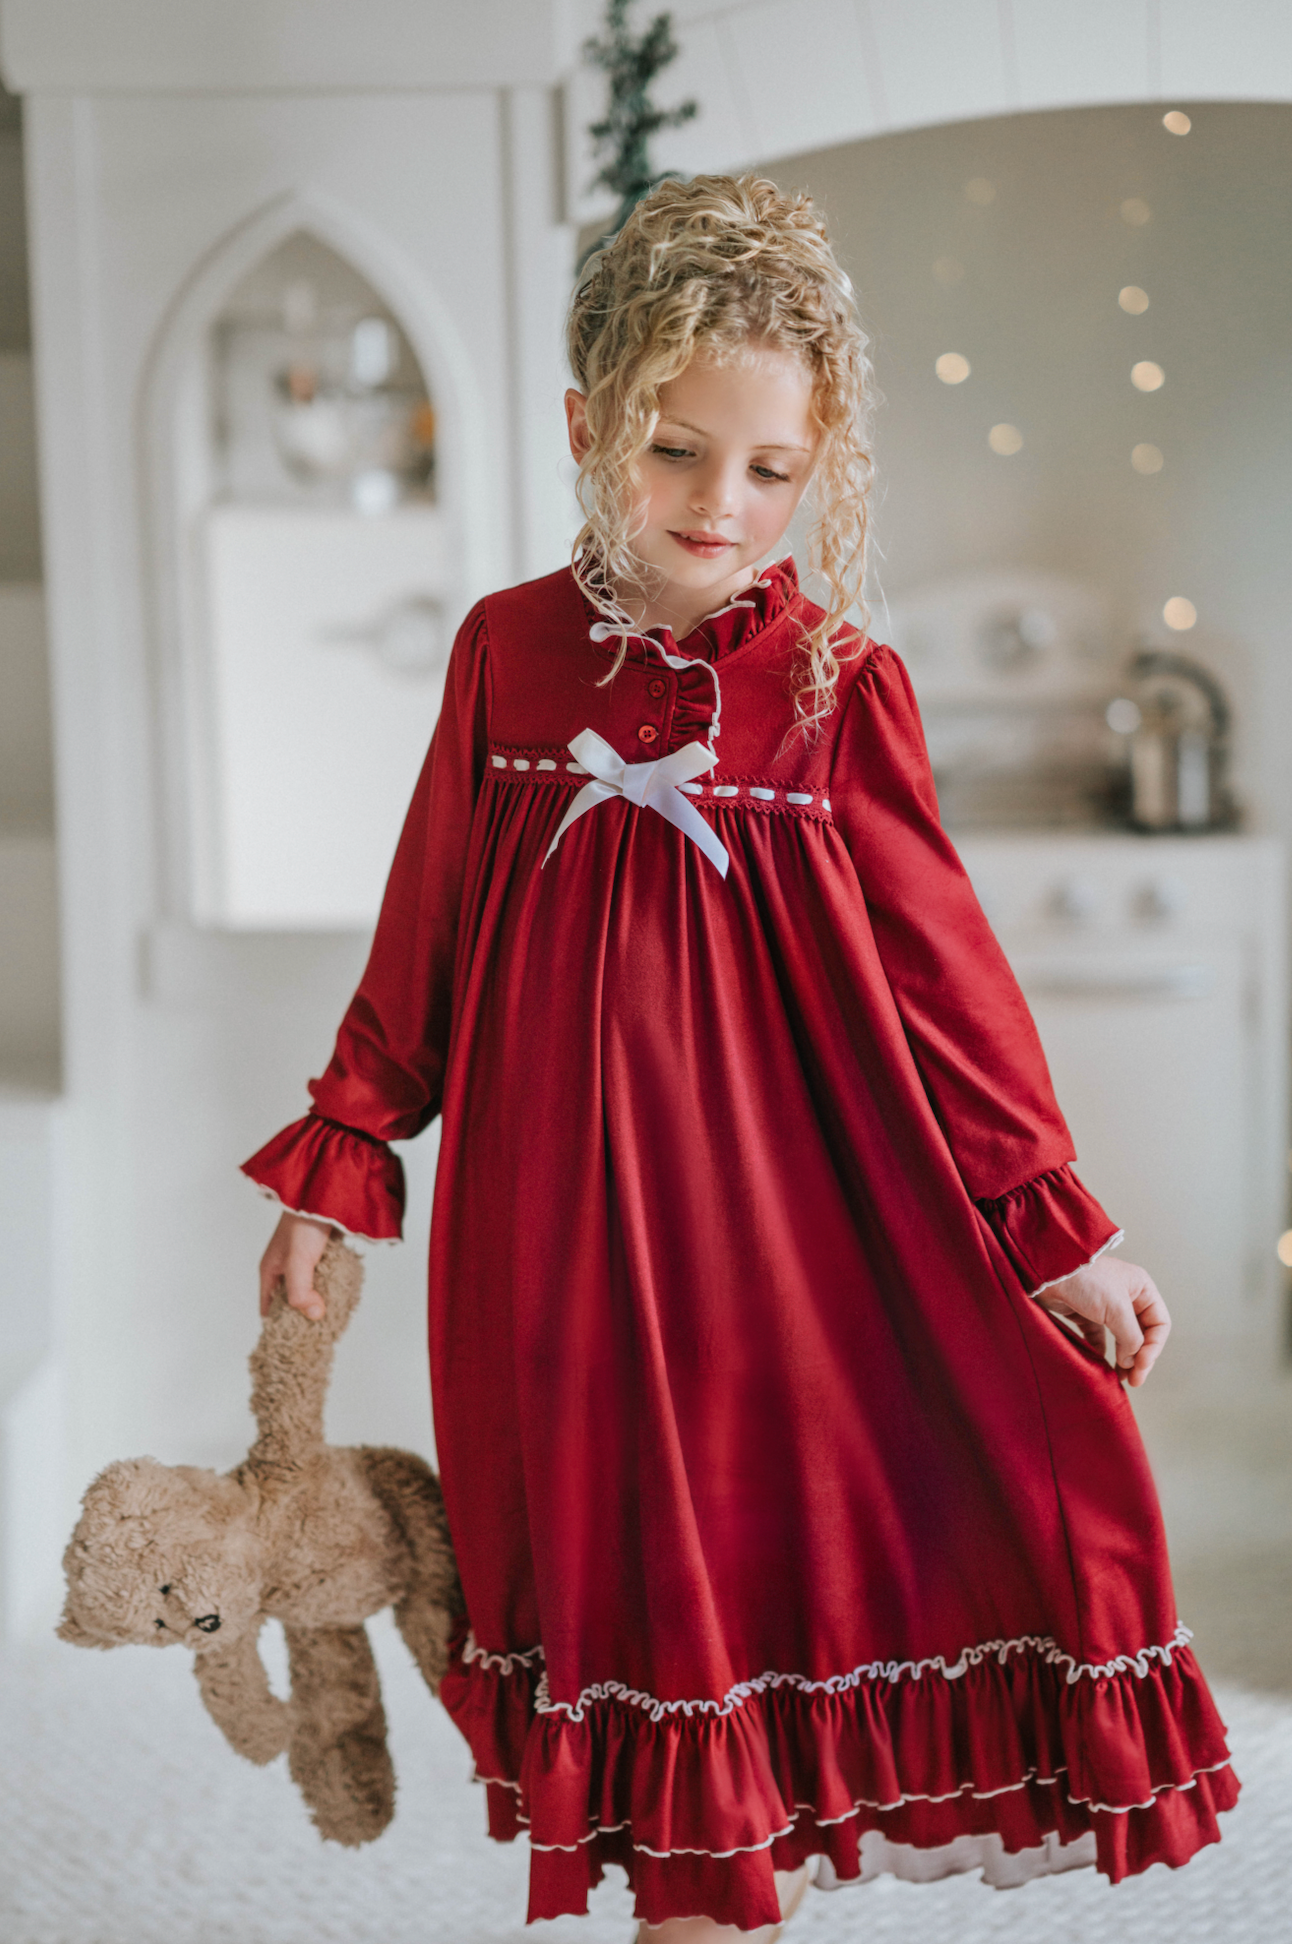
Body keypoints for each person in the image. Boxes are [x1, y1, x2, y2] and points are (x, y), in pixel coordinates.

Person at [243, 175, 1236, 1942]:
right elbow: (427, 942)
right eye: (677, 451)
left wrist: (1056, 1228)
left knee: (783, 1592)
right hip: (555, 1248)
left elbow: (951, 985)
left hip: (788, 1242)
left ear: (822, 464)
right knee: (623, 1605)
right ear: (586, 424)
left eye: (770, 471)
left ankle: (712, 1904)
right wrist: (345, 1152)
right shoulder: (506, 656)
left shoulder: (841, 683)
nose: (722, 505)